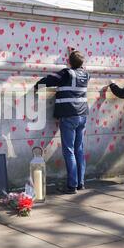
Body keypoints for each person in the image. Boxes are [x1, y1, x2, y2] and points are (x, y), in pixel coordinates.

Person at [35, 49, 90, 194]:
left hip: (69, 115)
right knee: (79, 149)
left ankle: (72, 185)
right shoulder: (86, 74)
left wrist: (37, 86)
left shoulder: (66, 73)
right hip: (82, 115)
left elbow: (49, 80)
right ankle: (80, 183)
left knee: (69, 150)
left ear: (69, 62)